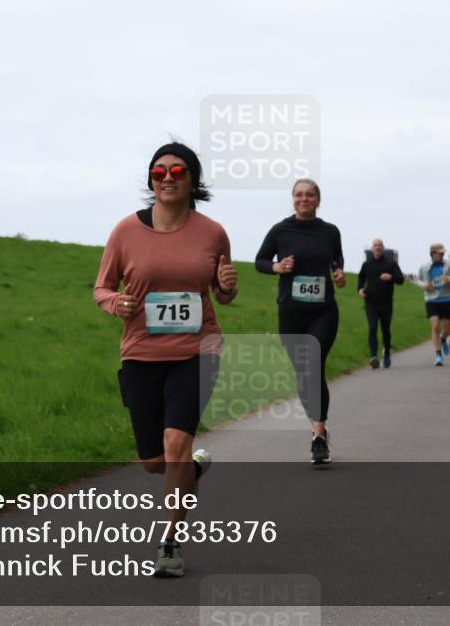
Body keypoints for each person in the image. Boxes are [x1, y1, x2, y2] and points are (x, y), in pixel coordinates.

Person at [94, 142, 238, 577]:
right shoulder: (125, 232)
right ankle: (191, 470)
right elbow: (100, 289)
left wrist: (229, 287)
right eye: (159, 172)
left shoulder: (212, 232)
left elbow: (223, 295)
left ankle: (169, 544)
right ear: (151, 180)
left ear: (193, 179)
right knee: (156, 461)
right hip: (141, 352)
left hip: (198, 350)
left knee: (176, 442)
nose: (168, 177)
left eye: (177, 170)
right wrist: (114, 303)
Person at [256, 179, 345, 466]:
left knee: (313, 363)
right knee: (304, 372)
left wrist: (339, 273)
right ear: (293, 199)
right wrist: (277, 267)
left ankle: (318, 437)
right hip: (291, 311)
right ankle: (318, 426)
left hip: (323, 311)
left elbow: (336, 259)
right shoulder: (281, 230)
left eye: (309, 195)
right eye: (299, 194)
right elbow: (260, 260)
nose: (304, 199)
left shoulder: (330, 231)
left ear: (318, 199)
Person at [357, 238, 405, 369]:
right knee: (372, 327)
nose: (377, 247)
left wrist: (391, 277)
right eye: (375, 245)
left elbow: (401, 279)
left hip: (386, 303)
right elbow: (361, 278)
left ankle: (387, 352)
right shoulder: (366, 264)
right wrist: (360, 289)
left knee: (385, 330)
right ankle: (373, 357)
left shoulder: (390, 263)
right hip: (370, 301)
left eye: (379, 245)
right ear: (372, 249)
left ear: (383, 248)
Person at [418, 243, 450, 366]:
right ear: (432, 253)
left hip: (446, 299)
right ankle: (438, 355)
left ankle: (443, 339)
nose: (442, 255)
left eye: (443, 253)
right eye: (439, 253)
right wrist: (425, 286)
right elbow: (418, 280)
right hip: (431, 300)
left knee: (447, 329)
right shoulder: (424, 266)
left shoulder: (449, 265)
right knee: (435, 326)